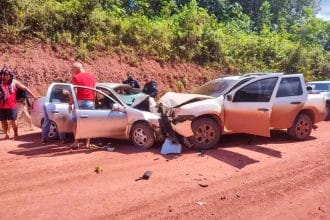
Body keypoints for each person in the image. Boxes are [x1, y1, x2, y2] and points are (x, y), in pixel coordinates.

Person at [0, 66, 39, 139]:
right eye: (5, 75)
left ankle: (15, 134)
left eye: (8, 75)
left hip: (12, 105)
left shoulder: (14, 82)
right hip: (1, 106)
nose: (6, 76)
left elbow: (25, 88)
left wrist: (34, 96)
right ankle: (7, 134)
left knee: (14, 121)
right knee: (3, 121)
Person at [69, 62, 96, 149]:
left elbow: (75, 91)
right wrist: (93, 102)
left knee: (75, 123)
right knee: (89, 123)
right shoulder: (91, 76)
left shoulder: (76, 77)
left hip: (79, 102)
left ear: (77, 69)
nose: (72, 72)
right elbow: (94, 90)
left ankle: (76, 142)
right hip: (90, 102)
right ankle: (87, 143)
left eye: (73, 70)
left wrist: (71, 103)